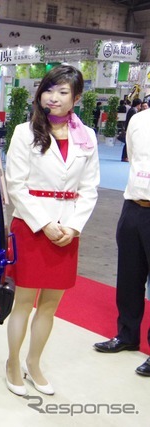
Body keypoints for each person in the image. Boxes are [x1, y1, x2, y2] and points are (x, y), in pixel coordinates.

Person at [4, 65, 100, 396]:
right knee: (23, 301)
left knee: (50, 305)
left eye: (62, 92)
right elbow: (16, 185)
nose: (54, 97)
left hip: (67, 231)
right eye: (49, 89)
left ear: (77, 98)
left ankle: (34, 363)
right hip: (32, 227)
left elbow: (90, 188)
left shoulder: (87, 137)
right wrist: (45, 224)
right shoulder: (23, 132)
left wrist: (73, 227)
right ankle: (12, 363)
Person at [94, 106, 150, 377]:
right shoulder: (138, 120)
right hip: (133, 205)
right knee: (129, 277)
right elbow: (134, 158)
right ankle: (127, 335)